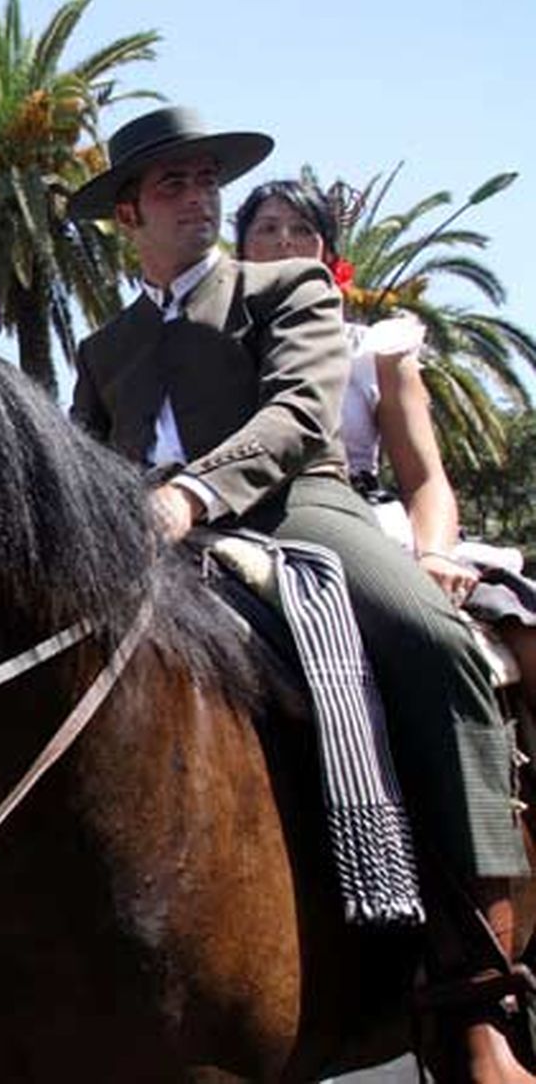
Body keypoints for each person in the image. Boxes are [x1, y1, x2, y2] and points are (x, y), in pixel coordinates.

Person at [68, 106, 533, 1082]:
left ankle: (477, 991)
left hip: (293, 514)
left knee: (433, 643)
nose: (198, 198)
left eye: (206, 182)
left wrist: (189, 496)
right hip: (136, 545)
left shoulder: (286, 288)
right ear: (126, 216)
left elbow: (292, 416)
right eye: (172, 185)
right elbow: (81, 460)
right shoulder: (101, 347)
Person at [235, 178, 536, 717]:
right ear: (239, 253)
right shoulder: (206, 348)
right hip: (239, 516)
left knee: (516, 637)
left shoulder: (375, 351)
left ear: (329, 255)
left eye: (303, 230)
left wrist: (435, 555)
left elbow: (424, 478)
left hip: (358, 521)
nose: (284, 241)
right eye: (267, 229)